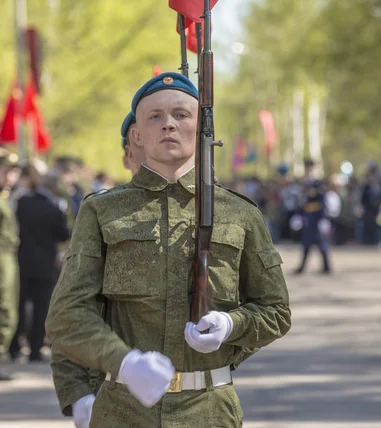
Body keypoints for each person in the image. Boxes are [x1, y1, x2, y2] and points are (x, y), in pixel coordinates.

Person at [46, 72, 291, 427]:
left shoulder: (240, 213)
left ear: (202, 129)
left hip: (210, 410)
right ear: (137, 135)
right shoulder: (101, 211)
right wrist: (124, 363)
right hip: (123, 411)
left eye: (181, 115)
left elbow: (276, 312)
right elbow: (66, 316)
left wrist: (230, 324)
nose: (169, 126)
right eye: (155, 117)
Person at [51, 110, 146, 428]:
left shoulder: (207, 213)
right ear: (127, 154)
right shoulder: (102, 213)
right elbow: (71, 316)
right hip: (111, 390)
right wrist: (78, 393)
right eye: (139, 143)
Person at [9, 171, 70, 362]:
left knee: (17, 304)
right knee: (40, 307)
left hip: (21, 262)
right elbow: (63, 234)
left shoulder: (22, 203)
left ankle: (13, 347)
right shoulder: (53, 208)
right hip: (44, 265)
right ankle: (35, 350)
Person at [0, 155, 19, 380]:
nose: (12, 176)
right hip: (2, 257)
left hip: (8, 256)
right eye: (8, 170)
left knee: (8, 305)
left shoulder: (6, 197)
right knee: (4, 305)